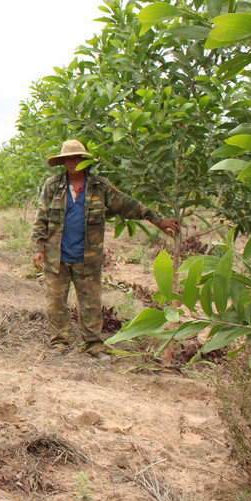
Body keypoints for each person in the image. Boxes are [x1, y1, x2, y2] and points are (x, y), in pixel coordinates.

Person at [31, 139, 179, 360]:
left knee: (90, 303)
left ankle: (93, 345)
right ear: (63, 162)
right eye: (68, 158)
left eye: (77, 157)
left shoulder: (100, 186)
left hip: (87, 257)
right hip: (57, 256)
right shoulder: (53, 186)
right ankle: (59, 342)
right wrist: (38, 247)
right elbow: (41, 218)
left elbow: (126, 204)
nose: (73, 162)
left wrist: (157, 220)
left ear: (85, 160)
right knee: (56, 302)